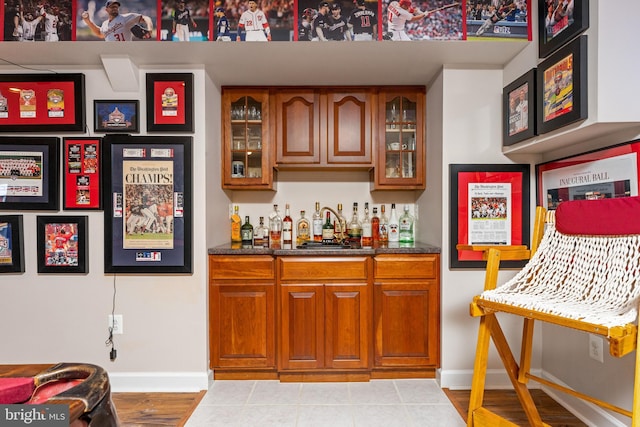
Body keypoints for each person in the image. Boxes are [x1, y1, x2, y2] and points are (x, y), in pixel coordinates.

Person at [81, 0, 154, 41]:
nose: (115, 8)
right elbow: (100, 34)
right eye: (112, 7)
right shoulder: (105, 24)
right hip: (111, 53)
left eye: (116, 7)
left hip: (126, 51)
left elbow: (145, 18)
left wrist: (150, 28)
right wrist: (88, 21)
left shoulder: (125, 18)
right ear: (106, 10)